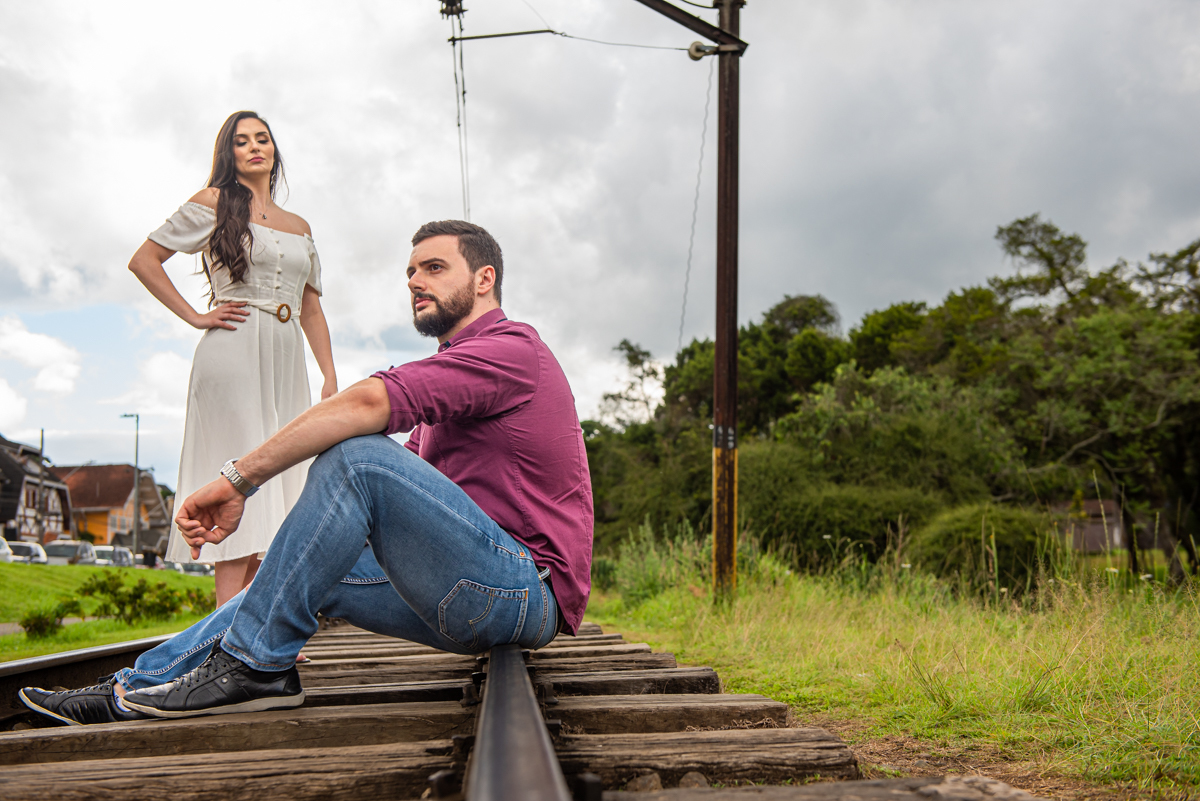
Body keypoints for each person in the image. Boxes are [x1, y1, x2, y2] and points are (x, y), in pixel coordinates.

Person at [20, 220, 593, 725]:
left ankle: (253, 666)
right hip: (469, 587)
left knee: (356, 454)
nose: (417, 282)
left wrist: (239, 479)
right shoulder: (458, 371)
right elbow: (400, 495)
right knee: (296, 561)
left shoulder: (512, 349)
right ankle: (134, 687)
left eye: (435, 268)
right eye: (412, 271)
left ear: (485, 278)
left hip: (523, 592)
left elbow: (367, 409)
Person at [128, 111, 337, 606]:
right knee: (239, 472)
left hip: (287, 358)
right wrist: (195, 317)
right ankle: (228, 627)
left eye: (262, 139)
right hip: (235, 347)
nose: (254, 147)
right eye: (241, 142)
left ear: (274, 150)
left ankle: (260, 621)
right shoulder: (213, 203)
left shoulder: (299, 226)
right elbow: (144, 260)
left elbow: (311, 306)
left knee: (282, 478)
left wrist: (329, 376)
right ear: (230, 154)